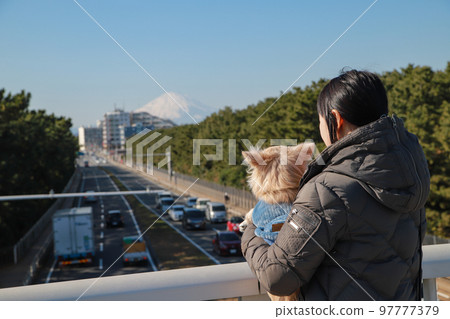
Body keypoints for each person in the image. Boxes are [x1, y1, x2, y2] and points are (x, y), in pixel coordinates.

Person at [241, 69, 430, 301]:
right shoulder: (410, 173)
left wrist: (250, 230)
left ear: (336, 119)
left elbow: (278, 277)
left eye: (320, 120)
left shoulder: (326, 189)